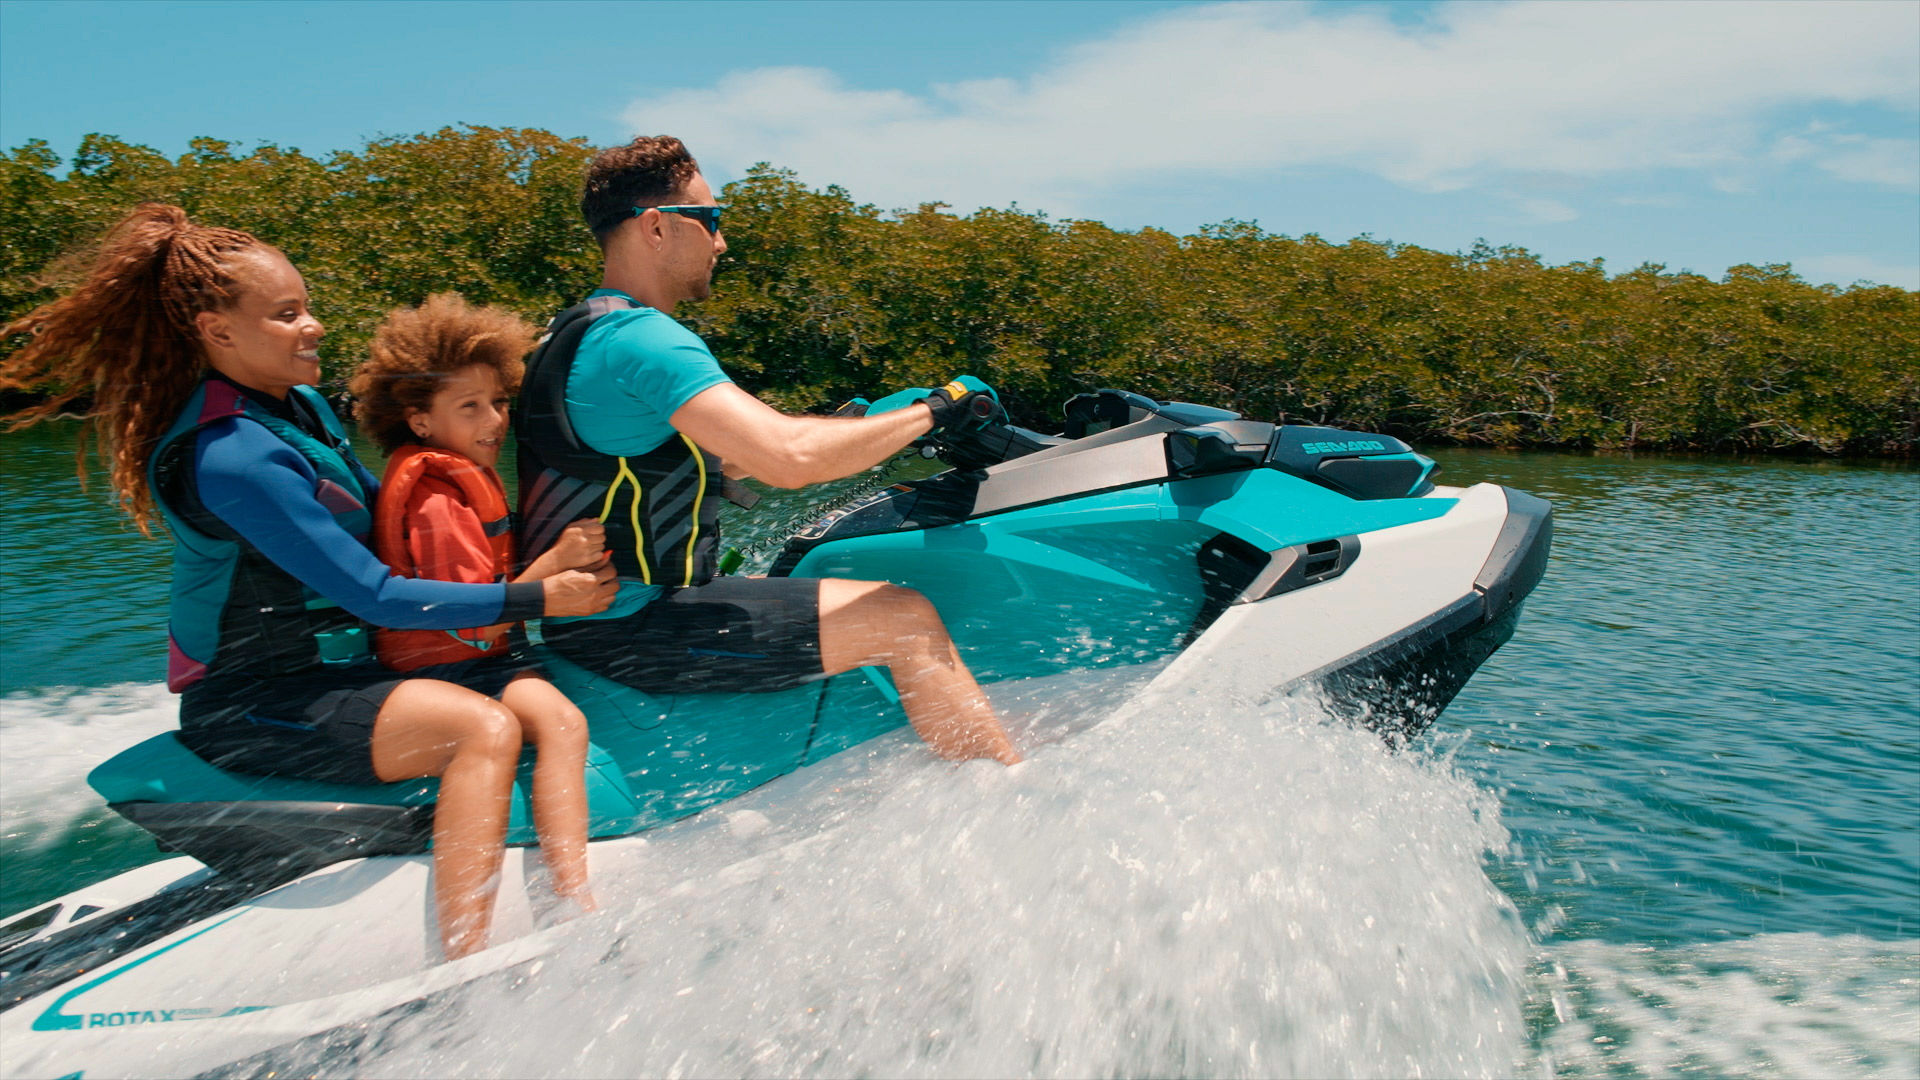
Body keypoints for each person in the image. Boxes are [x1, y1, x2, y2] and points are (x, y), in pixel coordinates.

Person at [0, 205, 618, 960]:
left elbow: (390, 535)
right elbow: (373, 594)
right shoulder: (231, 454)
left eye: (307, 307)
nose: (314, 326)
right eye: (287, 314)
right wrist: (537, 597)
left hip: (344, 677)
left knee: (538, 704)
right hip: (258, 702)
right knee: (480, 730)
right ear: (218, 332)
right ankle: (467, 961)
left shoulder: (302, 410)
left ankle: (567, 896)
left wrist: (537, 557)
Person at [516, 135, 1021, 765]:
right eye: (710, 219)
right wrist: (938, 409)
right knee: (905, 616)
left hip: (601, 619)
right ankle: (1005, 792)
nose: (721, 242)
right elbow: (787, 457)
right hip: (628, 629)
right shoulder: (642, 339)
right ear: (656, 227)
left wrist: (863, 424)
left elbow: (729, 457)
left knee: (803, 576)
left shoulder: (577, 330)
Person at [350, 292, 608, 914]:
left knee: (562, 719)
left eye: (498, 402)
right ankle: (564, 898)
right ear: (420, 422)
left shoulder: (455, 475)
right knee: (562, 724)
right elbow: (475, 620)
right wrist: (559, 562)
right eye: (470, 407)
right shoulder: (436, 501)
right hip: (450, 669)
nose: (494, 420)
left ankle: (571, 890)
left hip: (477, 661)